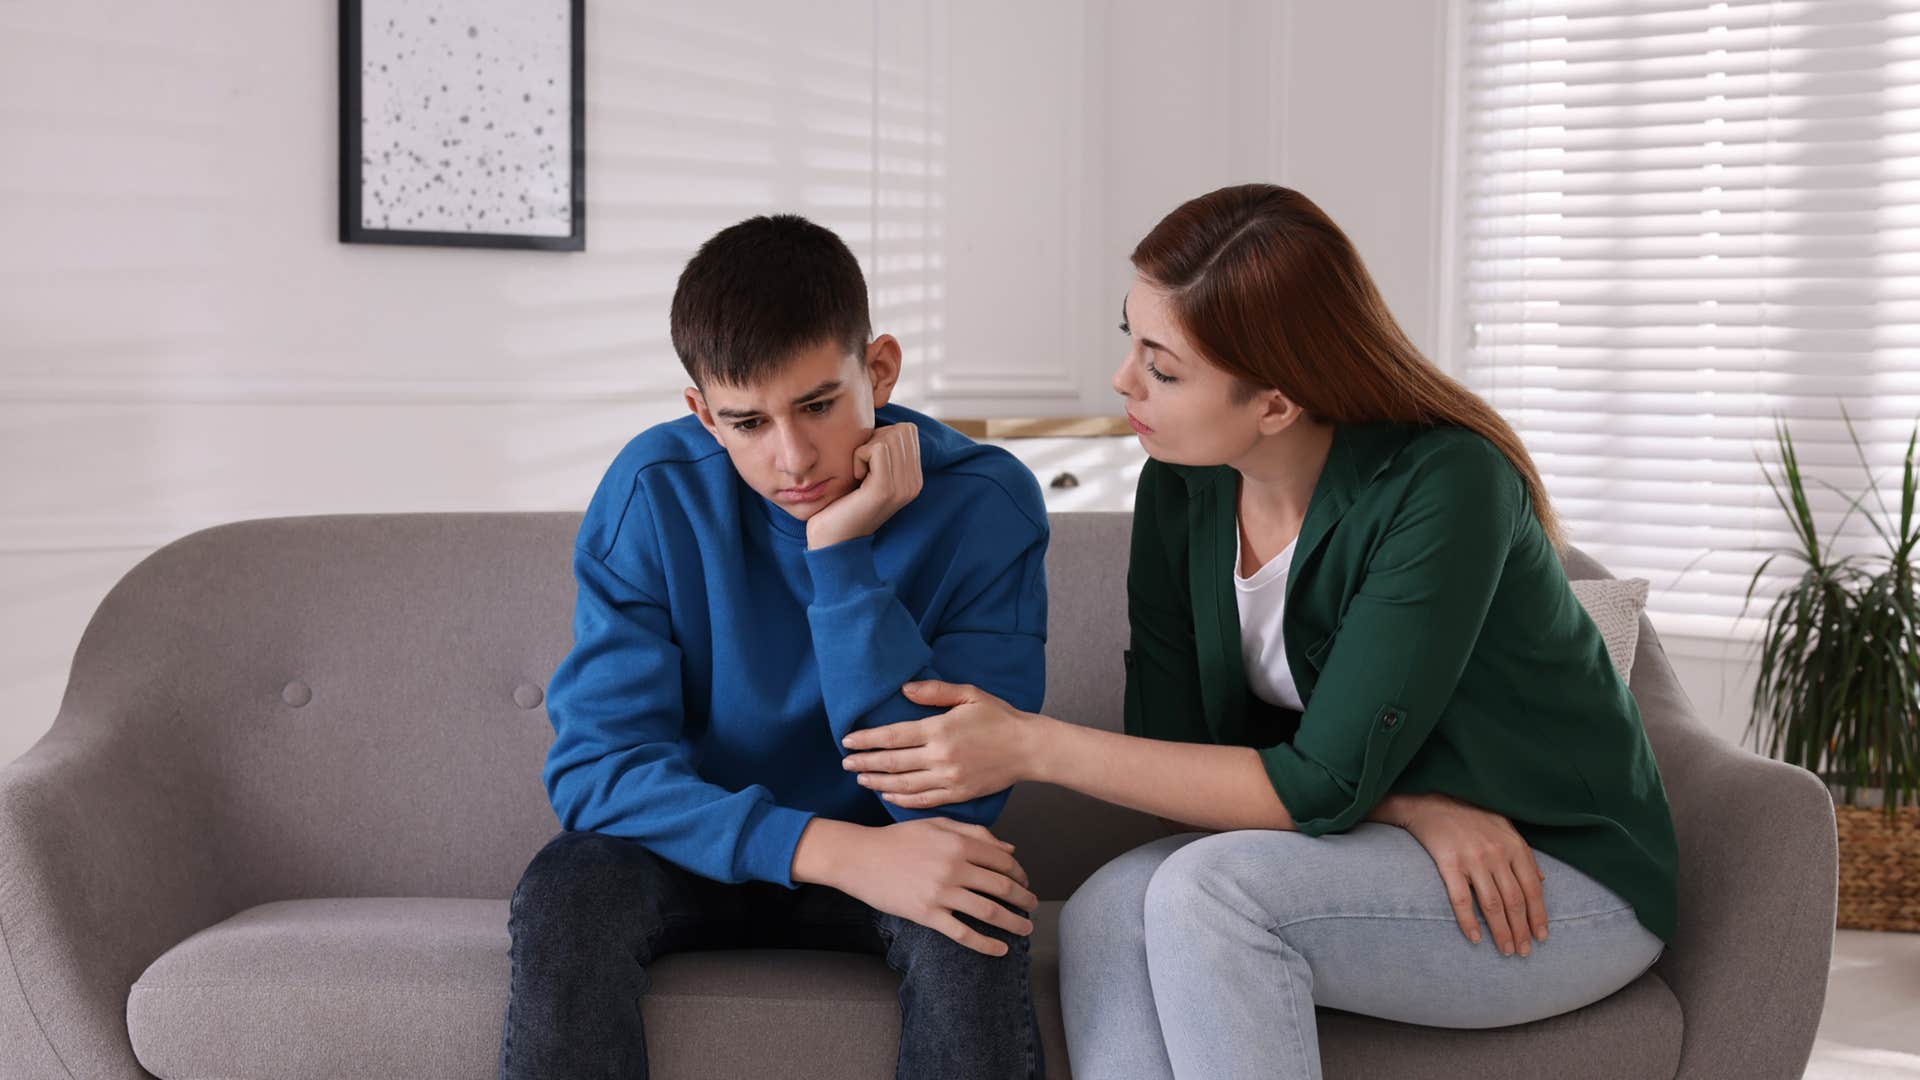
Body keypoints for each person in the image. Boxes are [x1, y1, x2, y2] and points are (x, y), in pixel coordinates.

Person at [839, 184, 1680, 1080]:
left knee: (1211, 895)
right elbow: (1181, 753)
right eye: (1130, 337)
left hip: (1556, 875)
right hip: (1387, 839)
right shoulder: (1183, 482)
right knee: (1104, 908)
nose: (1125, 381)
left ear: (1275, 404)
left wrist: (1029, 746)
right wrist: (1406, 804)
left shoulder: (1447, 487)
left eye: (1163, 368)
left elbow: (1316, 783)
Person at [499, 213, 1049, 1080]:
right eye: (747, 423)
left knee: (976, 902)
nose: (792, 459)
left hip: (895, 849)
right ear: (702, 414)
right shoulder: (654, 493)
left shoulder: (987, 505)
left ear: (880, 369)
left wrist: (840, 555)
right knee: (571, 886)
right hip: (694, 850)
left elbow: (952, 806)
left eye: (819, 406)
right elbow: (596, 773)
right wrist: (833, 851)